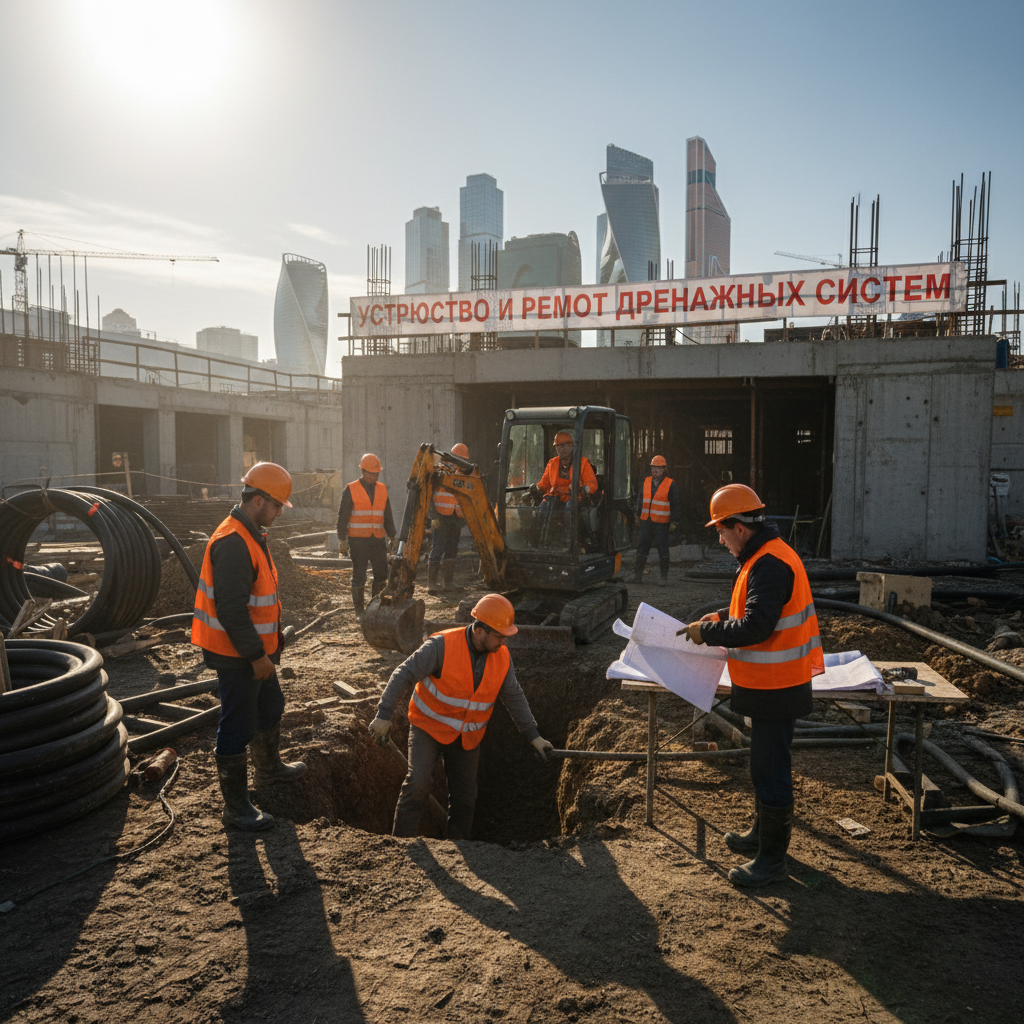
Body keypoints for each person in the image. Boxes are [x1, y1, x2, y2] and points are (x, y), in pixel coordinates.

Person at [680, 483, 822, 887]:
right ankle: (762, 838)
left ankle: (772, 862)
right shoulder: (763, 557)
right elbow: (759, 609)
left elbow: (758, 626)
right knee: (765, 767)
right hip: (773, 686)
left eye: (721, 532)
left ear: (739, 527)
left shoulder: (770, 563)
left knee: (770, 768)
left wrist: (707, 634)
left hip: (778, 686)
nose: (720, 539)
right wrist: (722, 614)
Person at [367, 594, 555, 839]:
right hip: (428, 728)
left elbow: (514, 696)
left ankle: (460, 850)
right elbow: (404, 674)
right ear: (479, 630)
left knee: (465, 799)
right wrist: (384, 715)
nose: (503, 642)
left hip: (468, 737)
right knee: (418, 784)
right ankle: (401, 846)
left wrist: (534, 736)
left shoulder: (502, 657)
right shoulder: (441, 646)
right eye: (499, 635)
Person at [192, 462, 307, 831]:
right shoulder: (233, 542)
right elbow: (231, 610)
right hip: (236, 653)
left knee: (271, 705)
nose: (278, 513)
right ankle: (236, 807)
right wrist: (257, 656)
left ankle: (269, 770)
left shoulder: (251, 532)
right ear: (258, 500)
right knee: (237, 725)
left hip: (256, 650)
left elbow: (261, 596)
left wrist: (272, 643)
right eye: (276, 506)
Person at [336, 453, 396, 617]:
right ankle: (359, 611)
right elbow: (343, 516)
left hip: (377, 539)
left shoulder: (382, 489)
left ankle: (374, 607)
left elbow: (387, 515)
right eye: (372, 473)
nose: (375, 476)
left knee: (381, 573)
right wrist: (342, 539)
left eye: (377, 474)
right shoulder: (351, 488)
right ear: (363, 472)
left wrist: (392, 535)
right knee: (359, 574)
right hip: (358, 541)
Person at [632, 455, 680, 587]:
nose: (655, 471)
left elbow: (675, 504)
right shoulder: (646, 481)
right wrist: (637, 515)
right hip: (646, 521)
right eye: (653, 468)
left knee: (663, 549)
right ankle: (638, 576)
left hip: (661, 522)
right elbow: (640, 500)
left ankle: (663, 578)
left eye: (658, 468)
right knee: (642, 547)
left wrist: (674, 521)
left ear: (664, 469)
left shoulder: (671, 484)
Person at [428, 443, 469, 595]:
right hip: (441, 515)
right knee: (438, 547)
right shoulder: (439, 471)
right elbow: (429, 495)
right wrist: (433, 516)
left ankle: (448, 583)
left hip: (455, 516)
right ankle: (432, 583)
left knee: (452, 548)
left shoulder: (462, 475)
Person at [530, 431, 598, 504]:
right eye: (557, 446)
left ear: (571, 446)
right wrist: (536, 488)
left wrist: (583, 488)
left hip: (575, 500)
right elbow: (544, 483)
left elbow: (592, 485)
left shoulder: (583, 463)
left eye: (563, 446)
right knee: (543, 506)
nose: (560, 449)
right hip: (555, 498)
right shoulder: (552, 463)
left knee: (570, 507)